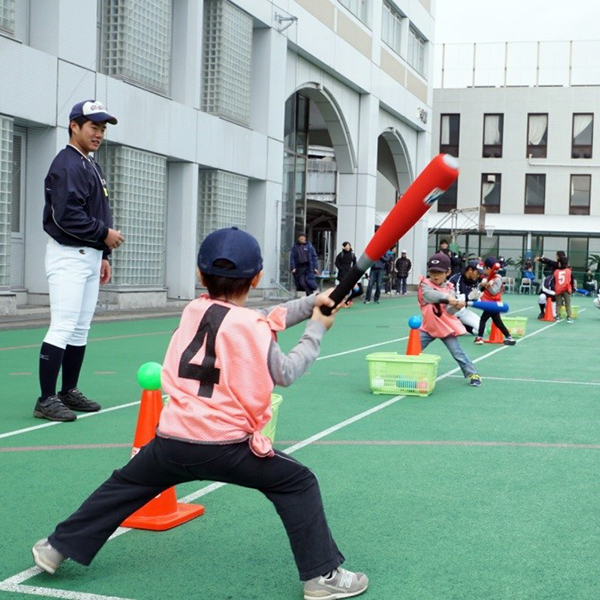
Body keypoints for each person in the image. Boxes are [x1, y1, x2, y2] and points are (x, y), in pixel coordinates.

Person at [31, 227, 368, 600]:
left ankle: (55, 548)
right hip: (226, 447)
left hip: (171, 440)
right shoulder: (252, 326)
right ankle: (322, 576)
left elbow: (262, 318)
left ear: (198, 275)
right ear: (256, 278)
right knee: (298, 482)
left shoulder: (194, 309)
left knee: (123, 487)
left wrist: (311, 303)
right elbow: (285, 370)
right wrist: (316, 329)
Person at [34, 100, 125, 422]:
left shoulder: (89, 163)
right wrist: (104, 234)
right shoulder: (67, 164)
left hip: (88, 255)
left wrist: (104, 254)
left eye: (102, 129)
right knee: (63, 326)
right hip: (68, 256)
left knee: (79, 328)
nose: (99, 134)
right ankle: (46, 398)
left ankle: (67, 391)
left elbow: (95, 211)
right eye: (93, 127)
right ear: (74, 126)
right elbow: (65, 216)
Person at [417, 253, 482, 387]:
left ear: (448, 272)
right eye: (432, 272)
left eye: (439, 273)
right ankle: (407, 372)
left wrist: (457, 306)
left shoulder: (450, 289)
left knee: (457, 353)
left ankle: (472, 374)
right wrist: (447, 298)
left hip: (445, 328)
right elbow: (429, 296)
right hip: (428, 327)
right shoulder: (425, 285)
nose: (435, 276)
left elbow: (449, 311)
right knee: (413, 349)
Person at [474, 257, 516, 346]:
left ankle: (479, 337)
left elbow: (494, 292)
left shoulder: (497, 278)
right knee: (498, 322)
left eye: (485, 268)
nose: (483, 270)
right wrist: (483, 284)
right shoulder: (487, 278)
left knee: (483, 319)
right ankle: (509, 337)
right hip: (489, 303)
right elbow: (481, 289)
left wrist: (488, 286)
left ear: (489, 269)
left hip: (493, 304)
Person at [448, 260, 482, 335]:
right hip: (451, 312)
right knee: (456, 332)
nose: (478, 275)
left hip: (462, 312)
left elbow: (475, 300)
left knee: (480, 329)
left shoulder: (475, 281)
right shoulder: (455, 279)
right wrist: (468, 298)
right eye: (477, 273)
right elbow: (458, 301)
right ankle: (451, 324)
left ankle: (461, 325)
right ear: (470, 270)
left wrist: (476, 298)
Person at [554, 254, 574, 323]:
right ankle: (569, 316)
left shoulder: (556, 271)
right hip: (566, 289)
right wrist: (573, 289)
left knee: (558, 304)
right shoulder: (569, 271)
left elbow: (554, 280)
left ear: (560, 262)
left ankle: (558, 315)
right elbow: (572, 280)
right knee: (568, 304)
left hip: (558, 289)